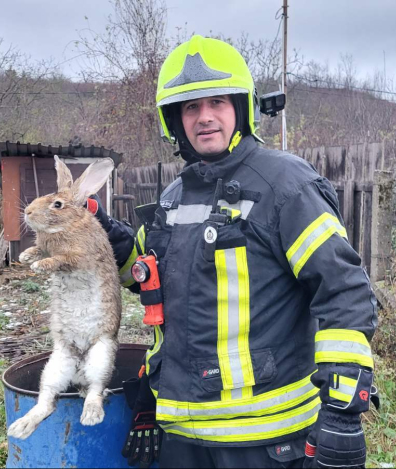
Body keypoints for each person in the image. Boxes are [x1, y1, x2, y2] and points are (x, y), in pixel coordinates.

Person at [91, 35, 379, 468]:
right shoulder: (173, 197)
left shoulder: (285, 186)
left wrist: (342, 413)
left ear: (241, 109)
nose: (204, 117)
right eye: (191, 107)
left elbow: (345, 291)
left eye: (217, 103)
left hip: (264, 441)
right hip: (182, 437)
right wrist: (109, 238)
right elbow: (149, 277)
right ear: (175, 119)